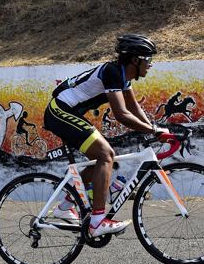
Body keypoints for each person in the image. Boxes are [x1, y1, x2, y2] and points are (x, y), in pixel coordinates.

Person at [43, 34, 176, 237]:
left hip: (68, 112)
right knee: (106, 154)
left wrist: (154, 128)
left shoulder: (122, 75)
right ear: (135, 60)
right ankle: (97, 221)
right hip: (59, 111)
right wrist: (152, 131)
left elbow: (132, 106)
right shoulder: (113, 72)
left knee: (102, 159)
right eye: (148, 60)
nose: (150, 65)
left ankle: (67, 204)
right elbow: (122, 115)